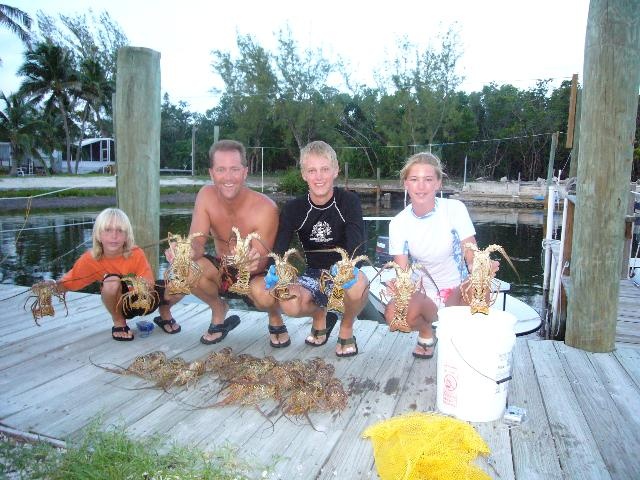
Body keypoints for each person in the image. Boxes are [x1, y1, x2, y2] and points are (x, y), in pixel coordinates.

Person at [384, 152, 496, 358]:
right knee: (393, 314)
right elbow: (402, 271)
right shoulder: (398, 223)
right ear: (405, 184)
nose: (421, 186)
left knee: (481, 284)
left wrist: (482, 268)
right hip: (424, 295)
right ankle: (427, 332)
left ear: (438, 183)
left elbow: (471, 256)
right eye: (414, 180)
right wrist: (400, 285)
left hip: (456, 291)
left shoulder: (455, 209)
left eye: (428, 180)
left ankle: (465, 340)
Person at [265, 140, 369, 357]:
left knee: (358, 285)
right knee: (289, 302)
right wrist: (274, 268)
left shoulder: (349, 201)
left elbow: (357, 243)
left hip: (343, 269)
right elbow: (280, 247)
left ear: (336, 171)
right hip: (312, 273)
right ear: (304, 174)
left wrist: (347, 269)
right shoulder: (294, 208)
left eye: (324, 169)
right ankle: (320, 314)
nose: (319, 177)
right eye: (312, 170)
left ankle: (346, 327)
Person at [183, 139, 282, 345]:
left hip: (254, 274)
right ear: (211, 173)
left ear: (245, 172)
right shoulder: (205, 195)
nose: (228, 177)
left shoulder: (267, 208)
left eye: (235, 169)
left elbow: (262, 262)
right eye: (221, 169)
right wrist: (185, 252)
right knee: (185, 267)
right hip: (223, 270)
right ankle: (219, 310)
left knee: (264, 294)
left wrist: (251, 261)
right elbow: (197, 242)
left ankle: (274, 315)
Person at [52, 208, 181, 341]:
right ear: (98, 235)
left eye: (120, 230)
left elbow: (148, 286)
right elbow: (70, 282)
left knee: (182, 283)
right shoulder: (90, 259)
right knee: (111, 282)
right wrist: (50, 287)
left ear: (126, 236)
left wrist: (174, 263)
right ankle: (119, 322)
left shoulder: (136, 253)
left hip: (144, 300)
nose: (114, 235)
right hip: (120, 305)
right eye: (108, 230)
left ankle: (164, 313)